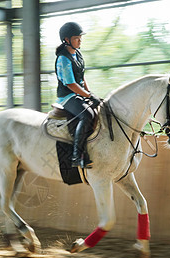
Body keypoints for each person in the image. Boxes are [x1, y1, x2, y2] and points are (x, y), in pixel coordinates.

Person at [55, 22, 101, 169]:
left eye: (80, 37)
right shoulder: (63, 58)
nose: (80, 40)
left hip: (79, 94)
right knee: (87, 115)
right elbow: (71, 84)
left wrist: (90, 94)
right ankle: (76, 155)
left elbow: (82, 78)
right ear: (67, 40)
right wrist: (87, 95)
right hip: (67, 97)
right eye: (77, 38)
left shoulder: (78, 54)